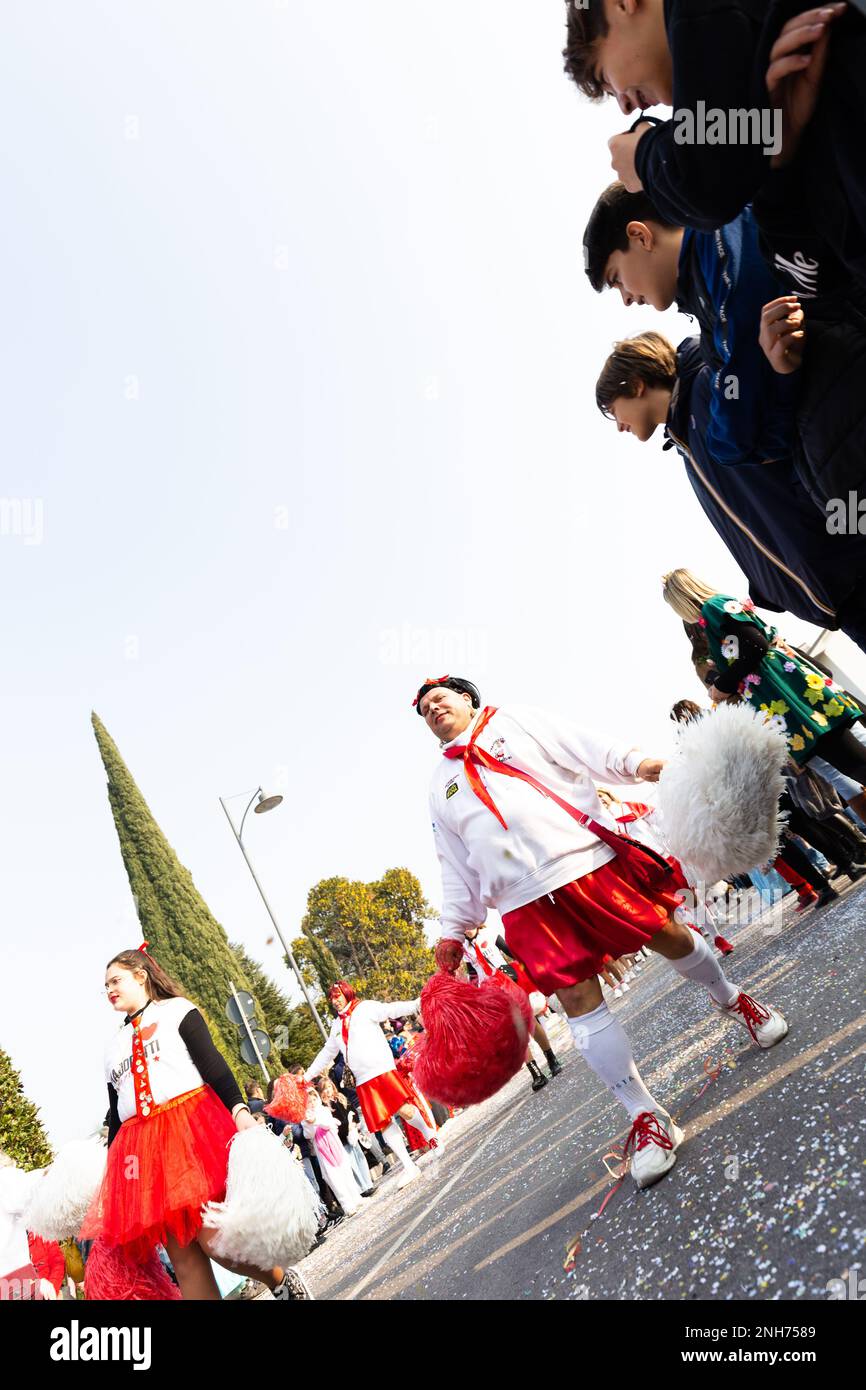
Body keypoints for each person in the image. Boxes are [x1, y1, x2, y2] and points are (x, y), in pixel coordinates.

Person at [415, 674, 787, 1190]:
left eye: (440, 698)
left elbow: (586, 748)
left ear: (468, 699)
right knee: (579, 1002)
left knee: (671, 937)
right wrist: (454, 931)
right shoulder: (439, 785)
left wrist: (643, 765)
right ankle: (647, 1117)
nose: (433, 708)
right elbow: (454, 864)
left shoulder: (516, 720)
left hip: (588, 864)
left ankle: (735, 999)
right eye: (424, 709)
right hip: (523, 904)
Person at [585, 179, 866, 521]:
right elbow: (755, 443)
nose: (626, 298)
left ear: (640, 236)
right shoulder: (708, 318)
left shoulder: (729, 236)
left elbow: (734, 439)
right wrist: (782, 376)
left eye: (616, 278)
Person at [593, 327, 866, 657]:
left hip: (847, 561)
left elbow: (800, 448)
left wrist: (839, 533)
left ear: (635, 385)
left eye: (612, 409)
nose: (618, 424)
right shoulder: (686, 441)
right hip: (834, 585)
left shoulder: (710, 390)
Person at [562, 1, 866, 288]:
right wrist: (779, 161)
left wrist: (643, 157)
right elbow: (820, 278)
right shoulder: (742, 122)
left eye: (604, 78)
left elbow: (705, 187)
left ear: (622, 4)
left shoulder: (697, 12)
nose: (625, 108)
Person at [79, 943, 313, 1300]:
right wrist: (112, 1176)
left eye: (116, 981)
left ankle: (281, 1280)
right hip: (142, 1153)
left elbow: (214, 1066)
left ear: (141, 976)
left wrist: (239, 1111)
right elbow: (116, 1113)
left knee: (215, 1240)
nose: (109, 990)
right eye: (106, 985)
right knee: (185, 1261)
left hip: (191, 1135)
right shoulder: (112, 1047)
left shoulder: (178, 1012)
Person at [304, 983, 440, 1189]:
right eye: (332, 998)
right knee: (383, 1123)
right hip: (363, 1081)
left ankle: (431, 1136)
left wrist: (415, 1004)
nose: (335, 1000)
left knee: (403, 1110)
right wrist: (307, 1076)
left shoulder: (365, 1008)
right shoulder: (335, 1027)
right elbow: (326, 1054)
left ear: (347, 993)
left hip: (382, 1071)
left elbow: (390, 1009)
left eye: (338, 995)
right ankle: (408, 1165)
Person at [460, 925, 563, 1090]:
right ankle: (536, 1073)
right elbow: (473, 973)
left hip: (508, 981)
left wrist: (528, 969)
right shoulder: (464, 948)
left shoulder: (489, 933)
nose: (467, 929)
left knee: (530, 1023)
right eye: (463, 927)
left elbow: (510, 951)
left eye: (469, 924)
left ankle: (551, 1059)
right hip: (490, 991)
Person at [301, 1090, 362, 1218]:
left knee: (345, 1170)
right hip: (322, 1150)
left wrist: (315, 1121)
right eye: (309, 1101)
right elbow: (308, 1134)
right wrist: (309, 1123)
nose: (312, 1103)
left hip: (335, 1144)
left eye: (313, 1100)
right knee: (333, 1177)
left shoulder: (323, 1110)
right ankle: (347, 1206)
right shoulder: (304, 1117)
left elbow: (329, 1124)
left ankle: (356, 1197)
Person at [316, 1078, 375, 1197]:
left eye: (329, 1087)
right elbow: (335, 1124)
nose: (327, 1091)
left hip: (352, 1133)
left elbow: (353, 1111)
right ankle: (362, 1188)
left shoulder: (340, 1098)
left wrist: (353, 1123)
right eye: (324, 1089)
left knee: (360, 1158)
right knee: (352, 1163)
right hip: (342, 1139)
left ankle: (368, 1184)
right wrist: (347, 1126)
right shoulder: (325, 1107)